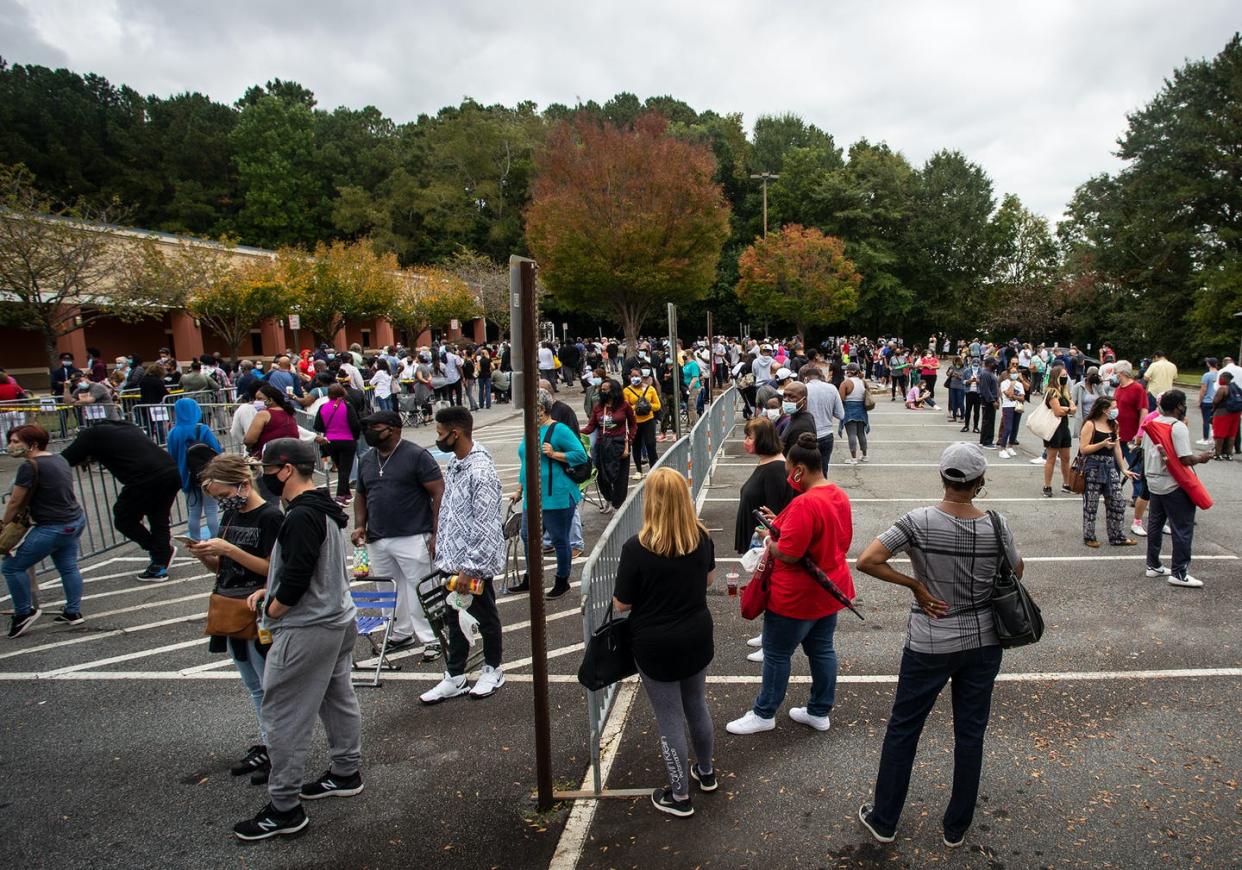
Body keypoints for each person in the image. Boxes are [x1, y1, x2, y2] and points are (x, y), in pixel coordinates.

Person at [855, 442, 1017, 849]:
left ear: (942, 476)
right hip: (984, 640)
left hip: (930, 639)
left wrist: (915, 584)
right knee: (970, 732)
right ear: (979, 483)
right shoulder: (996, 524)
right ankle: (955, 827)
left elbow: (868, 560)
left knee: (904, 728)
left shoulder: (917, 521)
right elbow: (1015, 571)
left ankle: (885, 818)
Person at [232, 438, 363, 841]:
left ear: (286, 469)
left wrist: (273, 608)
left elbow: (297, 576)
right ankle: (346, 770)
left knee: (283, 714)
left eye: (266, 469)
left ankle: (284, 808)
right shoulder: (324, 508)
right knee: (336, 697)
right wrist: (272, 592)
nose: (262, 477)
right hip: (337, 619)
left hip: (309, 627)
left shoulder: (301, 515)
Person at [727, 431, 854, 736]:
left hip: (796, 597)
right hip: (830, 589)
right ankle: (819, 710)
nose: (787, 478)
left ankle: (764, 712)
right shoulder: (838, 494)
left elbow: (789, 554)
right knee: (822, 650)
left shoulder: (805, 503)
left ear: (799, 469)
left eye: (789, 472)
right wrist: (780, 521)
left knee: (776, 653)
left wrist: (770, 542)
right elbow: (839, 540)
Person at [613, 467, 717, 818]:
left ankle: (680, 795)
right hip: (696, 635)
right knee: (696, 704)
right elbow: (709, 578)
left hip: (656, 643)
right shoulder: (701, 538)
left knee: (669, 716)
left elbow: (622, 603)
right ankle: (705, 773)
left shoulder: (636, 549)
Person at [188, 453, 283, 784]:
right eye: (217, 499)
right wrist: (207, 557)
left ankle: (280, 752)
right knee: (254, 687)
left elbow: (275, 570)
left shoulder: (269, 516)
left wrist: (230, 551)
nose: (222, 503)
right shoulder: (231, 518)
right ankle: (270, 745)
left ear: (243, 485)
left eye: (225, 496)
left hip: (257, 613)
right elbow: (222, 569)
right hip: (229, 607)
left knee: (269, 687)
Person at [419, 407, 508, 704]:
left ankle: (493, 668)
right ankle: (455, 675)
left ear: (455, 433)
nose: (438, 439)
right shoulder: (458, 464)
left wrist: (471, 568)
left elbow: (485, 524)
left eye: (440, 434)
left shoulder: (479, 471)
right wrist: (440, 540)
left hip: (471, 565)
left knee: (484, 615)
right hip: (452, 559)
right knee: (454, 614)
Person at [351, 410, 444, 658]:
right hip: (378, 537)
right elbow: (361, 495)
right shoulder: (368, 458)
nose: (370, 432)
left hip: (413, 534)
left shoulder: (416, 455)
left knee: (421, 587)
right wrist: (360, 524)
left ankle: (432, 637)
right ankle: (398, 634)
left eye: (375, 427)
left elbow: (438, 492)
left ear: (394, 429)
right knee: (388, 590)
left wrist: (436, 532)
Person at [60, 417, 181, 581]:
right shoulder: (127, 426)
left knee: (124, 518)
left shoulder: (91, 435)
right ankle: (159, 564)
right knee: (158, 516)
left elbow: (64, 460)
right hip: (169, 471)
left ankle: (160, 551)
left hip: (144, 478)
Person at [2, 425, 87, 636]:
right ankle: (73, 611)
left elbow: (15, 500)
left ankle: (23, 613)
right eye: (10, 441)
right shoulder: (58, 459)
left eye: (15, 442)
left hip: (54, 526)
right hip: (74, 520)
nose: (10, 446)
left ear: (33, 444)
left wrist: (4, 524)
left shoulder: (29, 466)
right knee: (68, 566)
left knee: (12, 567)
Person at [511, 389, 588, 599]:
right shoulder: (531, 430)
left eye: (530, 408)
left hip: (558, 496)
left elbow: (581, 455)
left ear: (542, 409)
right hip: (532, 497)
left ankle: (562, 581)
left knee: (559, 539)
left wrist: (555, 454)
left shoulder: (559, 430)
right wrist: (519, 489)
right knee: (527, 536)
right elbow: (525, 461)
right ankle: (531, 578)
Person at [734, 416, 797, 662]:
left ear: (763, 440)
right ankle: (767, 633)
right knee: (764, 588)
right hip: (760, 538)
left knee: (769, 589)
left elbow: (775, 512)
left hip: (766, 540)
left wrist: (766, 537)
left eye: (750, 437)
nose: (745, 442)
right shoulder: (767, 463)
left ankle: (772, 642)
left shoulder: (774, 469)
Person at [1141, 390, 1215, 588]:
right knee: (1182, 527)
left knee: (1155, 524)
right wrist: (1202, 458)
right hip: (1173, 483)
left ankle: (1153, 564)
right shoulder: (1177, 427)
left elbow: (1144, 451)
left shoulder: (1151, 425)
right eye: (1183, 404)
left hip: (1154, 480)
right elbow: (1184, 458)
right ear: (1178, 406)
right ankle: (1179, 572)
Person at [1078, 396, 1139, 547]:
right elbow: (1083, 449)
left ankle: (1117, 535)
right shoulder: (1090, 424)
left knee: (1117, 502)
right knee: (1091, 504)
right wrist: (1102, 444)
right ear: (1104, 409)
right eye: (1113, 408)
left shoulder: (1114, 424)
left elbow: (1117, 447)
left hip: (1110, 466)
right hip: (1093, 466)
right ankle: (1089, 536)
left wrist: (1123, 468)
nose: (1116, 411)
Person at [166, 397, 223, 541]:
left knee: (193, 511)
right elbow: (215, 450)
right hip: (207, 474)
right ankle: (216, 539)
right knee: (211, 510)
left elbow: (171, 455)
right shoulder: (202, 429)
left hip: (186, 475)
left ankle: (195, 541)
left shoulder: (173, 432)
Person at [581, 378, 636, 513]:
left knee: (620, 477)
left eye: (606, 389)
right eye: (602, 389)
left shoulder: (625, 405)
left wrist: (629, 439)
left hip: (619, 445)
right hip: (602, 446)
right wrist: (575, 432)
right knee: (602, 476)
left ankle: (618, 505)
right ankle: (609, 499)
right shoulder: (598, 407)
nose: (602, 392)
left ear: (614, 391)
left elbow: (633, 424)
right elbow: (591, 426)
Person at [314, 384, 362, 504]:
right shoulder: (347, 406)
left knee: (341, 467)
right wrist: (355, 437)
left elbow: (318, 426)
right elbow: (354, 424)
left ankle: (347, 493)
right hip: (347, 440)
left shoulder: (322, 407)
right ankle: (340, 495)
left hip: (329, 441)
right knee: (345, 469)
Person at [1040, 364, 1077, 496]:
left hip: (1064, 427)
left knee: (1066, 457)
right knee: (1051, 457)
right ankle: (1047, 485)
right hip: (1053, 428)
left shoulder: (1065, 392)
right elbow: (1057, 411)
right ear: (1056, 377)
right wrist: (1068, 409)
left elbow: (1073, 407)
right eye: (1062, 376)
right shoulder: (1051, 392)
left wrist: (1067, 409)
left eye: (1066, 376)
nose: (1065, 378)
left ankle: (1066, 484)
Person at [803, 365, 844, 471]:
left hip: (807, 434)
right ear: (820, 376)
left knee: (807, 469)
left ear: (806, 378)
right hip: (826, 434)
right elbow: (840, 414)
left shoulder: (803, 389)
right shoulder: (832, 388)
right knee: (823, 469)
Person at [243, 384, 301, 460]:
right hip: (290, 457)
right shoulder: (288, 413)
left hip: (267, 460)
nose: (255, 402)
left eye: (259, 399)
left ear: (270, 400)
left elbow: (249, 440)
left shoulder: (263, 414)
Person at [624, 367, 661, 480]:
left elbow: (657, 405)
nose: (635, 378)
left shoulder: (650, 389)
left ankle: (653, 468)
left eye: (637, 376)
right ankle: (639, 470)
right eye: (632, 376)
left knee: (651, 444)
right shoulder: (626, 391)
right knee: (636, 446)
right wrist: (637, 407)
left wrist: (648, 406)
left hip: (648, 420)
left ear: (641, 377)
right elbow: (626, 408)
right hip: (634, 422)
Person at [839, 363, 869, 464]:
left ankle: (853, 458)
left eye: (846, 370)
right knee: (861, 433)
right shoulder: (863, 382)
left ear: (850, 371)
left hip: (849, 410)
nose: (845, 372)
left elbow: (841, 398)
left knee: (851, 434)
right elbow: (867, 394)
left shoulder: (846, 383)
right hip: (861, 410)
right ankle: (864, 455)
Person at [996, 366, 1026, 459]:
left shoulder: (1020, 384)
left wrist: (1014, 397)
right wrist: (1012, 385)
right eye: (1013, 372)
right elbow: (1008, 395)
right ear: (1008, 374)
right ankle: (1002, 448)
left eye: (1016, 372)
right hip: (1007, 407)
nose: (1015, 374)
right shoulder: (1004, 383)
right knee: (1007, 428)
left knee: (1015, 428)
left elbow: (1022, 398)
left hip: (1017, 407)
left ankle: (1010, 446)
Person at [779, 381, 816, 455]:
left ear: (804, 400)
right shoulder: (797, 417)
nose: (786, 400)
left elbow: (801, 458)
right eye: (784, 396)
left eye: (791, 397)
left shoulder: (802, 427)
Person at [1210, 371, 1240, 460]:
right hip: (1236, 413)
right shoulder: (1235, 387)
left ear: (1225, 379)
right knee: (1232, 434)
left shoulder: (1223, 388)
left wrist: (1213, 410)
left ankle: (1218, 454)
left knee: (1220, 434)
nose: (1219, 380)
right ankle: (1228, 454)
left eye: (1221, 378)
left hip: (1223, 413)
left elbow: (1215, 401)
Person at [1197, 358, 1220, 446]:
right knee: (1215, 420)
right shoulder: (1219, 374)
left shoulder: (1207, 375)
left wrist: (1200, 400)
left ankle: (1205, 438)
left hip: (1207, 400)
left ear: (1209, 364)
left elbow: (1204, 389)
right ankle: (1214, 438)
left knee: (1206, 420)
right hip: (1217, 400)